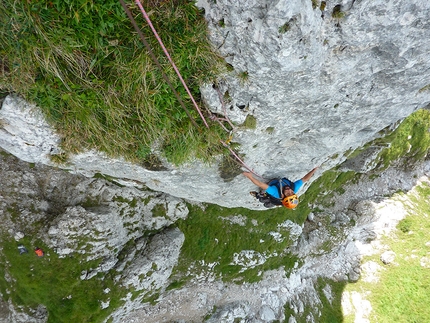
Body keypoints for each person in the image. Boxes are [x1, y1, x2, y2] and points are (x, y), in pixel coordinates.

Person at [243, 167, 318, 208]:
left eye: (288, 194)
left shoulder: (275, 192)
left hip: (274, 198)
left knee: (263, 199)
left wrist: (250, 177)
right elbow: (305, 179)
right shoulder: (293, 188)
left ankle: (257, 196)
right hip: (281, 200)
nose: (290, 191)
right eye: (292, 193)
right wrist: (314, 170)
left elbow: (261, 184)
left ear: (282, 196)